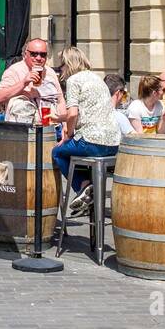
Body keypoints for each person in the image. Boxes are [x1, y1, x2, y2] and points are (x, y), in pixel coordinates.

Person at [52, 48, 122, 216]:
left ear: (68, 64)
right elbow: (86, 111)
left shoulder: (73, 81)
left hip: (91, 142)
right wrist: (60, 118)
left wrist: (67, 134)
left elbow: (73, 114)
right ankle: (87, 191)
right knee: (74, 152)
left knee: (58, 153)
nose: (60, 70)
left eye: (61, 66)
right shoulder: (98, 79)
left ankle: (82, 187)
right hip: (113, 143)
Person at [0, 38, 65, 124]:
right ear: (25, 54)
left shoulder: (50, 72)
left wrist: (65, 126)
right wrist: (23, 83)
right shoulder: (14, 71)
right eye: (34, 54)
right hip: (23, 131)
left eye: (43, 55)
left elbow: (60, 101)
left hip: (50, 128)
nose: (38, 58)